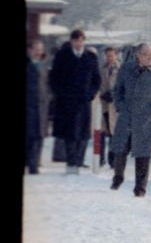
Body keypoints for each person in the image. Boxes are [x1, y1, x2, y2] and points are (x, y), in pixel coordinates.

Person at [108, 43, 151, 197]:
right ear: (138, 55)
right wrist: (120, 106)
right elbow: (118, 90)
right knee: (120, 150)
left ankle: (140, 188)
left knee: (143, 156)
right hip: (126, 117)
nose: (150, 58)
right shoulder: (126, 68)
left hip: (145, 119)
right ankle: (118, 177)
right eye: (146, 55)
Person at [48, 29, 101, 174]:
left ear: (84, 41)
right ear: (71, 41)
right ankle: (71, 163)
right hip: (67, 102)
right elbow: (53, 78)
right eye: (76, 40)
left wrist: (91, 94)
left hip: (84, 102)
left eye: (81, 40)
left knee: (83, 134)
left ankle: (79, 161)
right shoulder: (62, 56)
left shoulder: (90, 57)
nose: (78, 43)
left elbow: (97, 80)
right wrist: (60, 94)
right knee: (70, 133)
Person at [25, 39, 49, 174]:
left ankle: (35, 162)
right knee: (30, 135)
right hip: (29, 105)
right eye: (36, 49)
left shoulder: (44, 64)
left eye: (40, 49)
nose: (38, 52)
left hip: (42, 106)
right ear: (30, 50)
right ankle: (32, 164)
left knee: (39, 135)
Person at [98, 46, 121, 162]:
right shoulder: (101, 69)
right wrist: (102, 94)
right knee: (101, 131)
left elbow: (123, 86)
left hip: (115, 105)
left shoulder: (120, 69)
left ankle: (112, 159)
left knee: (113, 132)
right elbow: (98, 84)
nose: (110, 58)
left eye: (111, 55)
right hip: (103, 105)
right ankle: (100, 158)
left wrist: (114, 94)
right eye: (107, 56)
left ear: (116, 56)